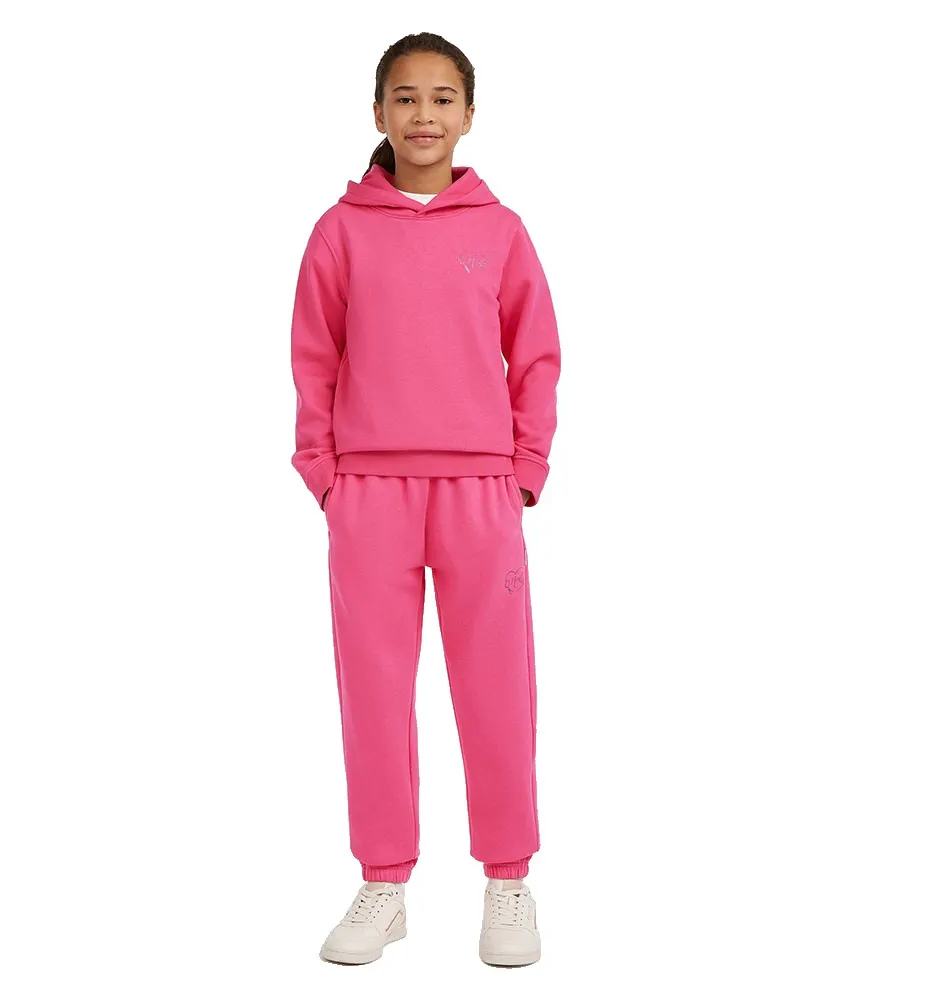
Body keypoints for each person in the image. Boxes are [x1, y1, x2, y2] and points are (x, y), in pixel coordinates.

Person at [289, 32, 560, 968]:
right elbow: (313, 357)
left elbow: (537, 354)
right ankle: (384, 882)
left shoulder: (501, 230)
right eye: (405, 98)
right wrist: (324, 472)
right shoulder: (339, 231)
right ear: (378, 113)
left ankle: (508, 879)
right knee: (372, 692)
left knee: (497, 687)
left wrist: (525, 468)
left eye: (443, 98)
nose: (423, 115)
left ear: (469, 116)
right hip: (369, 492)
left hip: (482, 489)